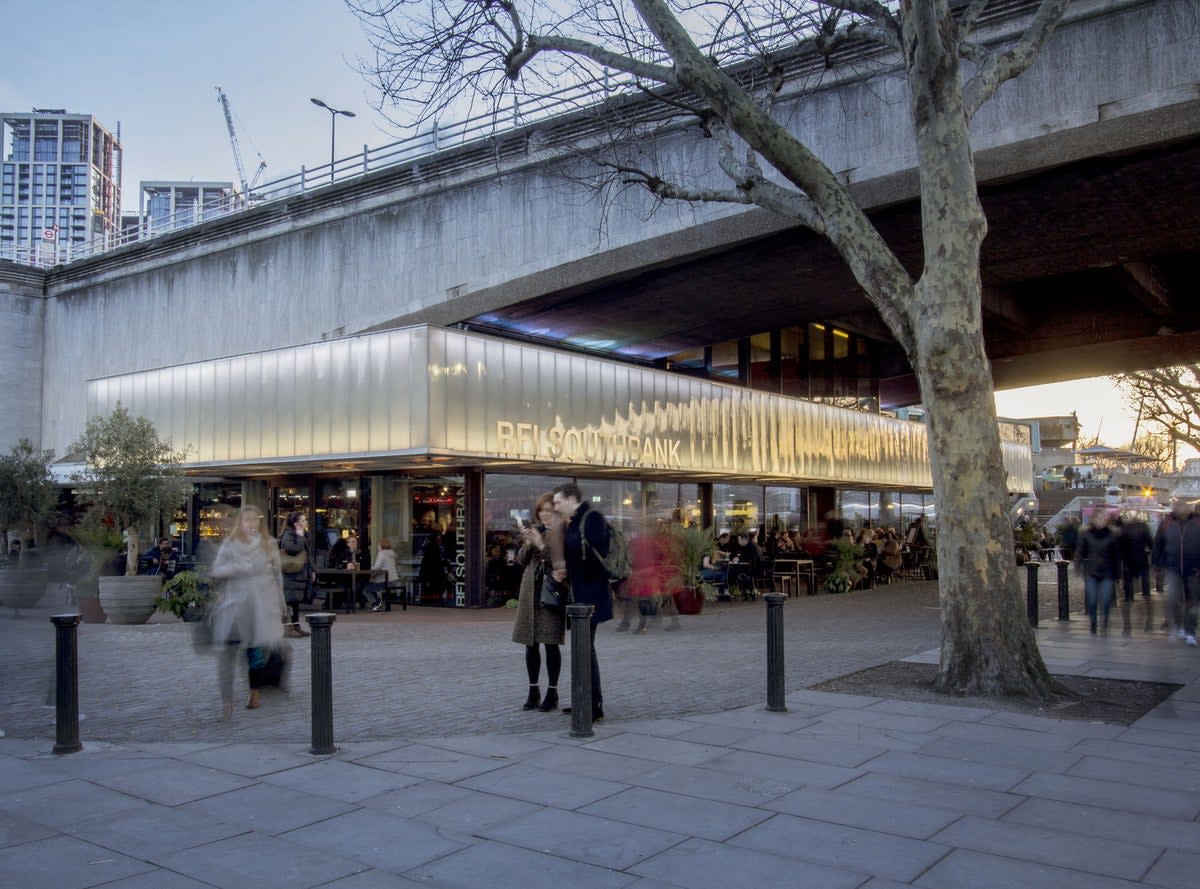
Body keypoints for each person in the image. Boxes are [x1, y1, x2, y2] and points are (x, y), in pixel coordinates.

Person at [208, 506, 289, 713]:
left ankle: (254, 690)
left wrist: (281, 605)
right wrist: (234, 569)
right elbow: (216, 570)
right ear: (240, 523)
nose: (251, 524)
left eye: (255, 520)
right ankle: (227, 699)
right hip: (235, 605)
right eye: (247, 521)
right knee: (230, 651)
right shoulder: (230, 544)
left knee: (256, 651)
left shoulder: (269, 544)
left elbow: (277, 577)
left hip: (261, 604)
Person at [552, 482, 611, 722]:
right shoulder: (577, 520)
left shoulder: (592, 518)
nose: (555, 506)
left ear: (572, 498)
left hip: (591, 595)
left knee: (586, 648)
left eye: (558, 502)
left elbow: (598, 557)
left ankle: (594, 705)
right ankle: (584, 700)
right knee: (583, 648)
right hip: (581, 593)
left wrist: (571, 567)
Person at [512, 493, 566, 711]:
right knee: (530, 643)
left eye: (549, 510)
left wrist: (540, 542)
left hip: (550, 594)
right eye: (542, 510)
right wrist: (528, 541)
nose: (545, 514)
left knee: (551, 643)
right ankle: (533, 690)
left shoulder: (563, 532)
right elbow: (521, 560)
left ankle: (552, 693)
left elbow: (559, 562)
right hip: (530, 592)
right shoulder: (535, 530)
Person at [1152, 498, 1199, 646]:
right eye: (1178, 506)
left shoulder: (1197, 522)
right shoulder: (1167, 523)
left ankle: (1190, 631)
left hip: (1193, 567)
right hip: (1172, 567)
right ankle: (1178, 626)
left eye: (1183, 506)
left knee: (1192, 600)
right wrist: (1156, 564)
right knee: (1174, 598)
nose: (1181, 509)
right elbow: (1158, 543)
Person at [1075, 509, 1121, 634]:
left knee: (1106, 599)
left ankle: (1105, 621)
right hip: (1091, 571)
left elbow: (1116, 555)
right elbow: (1080, 551)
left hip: (1107, 571)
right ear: (1093, 520)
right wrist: (1078, 566)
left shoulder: (1112, 535)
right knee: (1092, 599)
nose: (1101, 521)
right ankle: (1093, 622)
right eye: (1098, 518)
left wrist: (1118, 573)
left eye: (1103, 518)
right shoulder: (1086, 534)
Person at [279, 511, 312, 638]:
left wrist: (311, 571)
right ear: (296, 523)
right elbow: (292, 549)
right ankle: (288, 626)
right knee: (289, 600)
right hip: (290, 572)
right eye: (303, 521)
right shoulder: (289, 534)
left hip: (299, 572)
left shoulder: (301, 534)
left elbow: (306, 553)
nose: (305, 523)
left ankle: (296, 625)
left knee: (295, 600)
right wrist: (299, 535)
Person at [361, 539, 398, 611]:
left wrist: (371, 571)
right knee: (371, 585)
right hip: (393, 579)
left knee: (366, 590)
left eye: (378, 545)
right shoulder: (391, 553)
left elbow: (377, 567)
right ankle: (378, 601)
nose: (377, 546)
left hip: (385, 580)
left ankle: (376, 604)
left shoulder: (382, 553)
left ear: (381, 545)